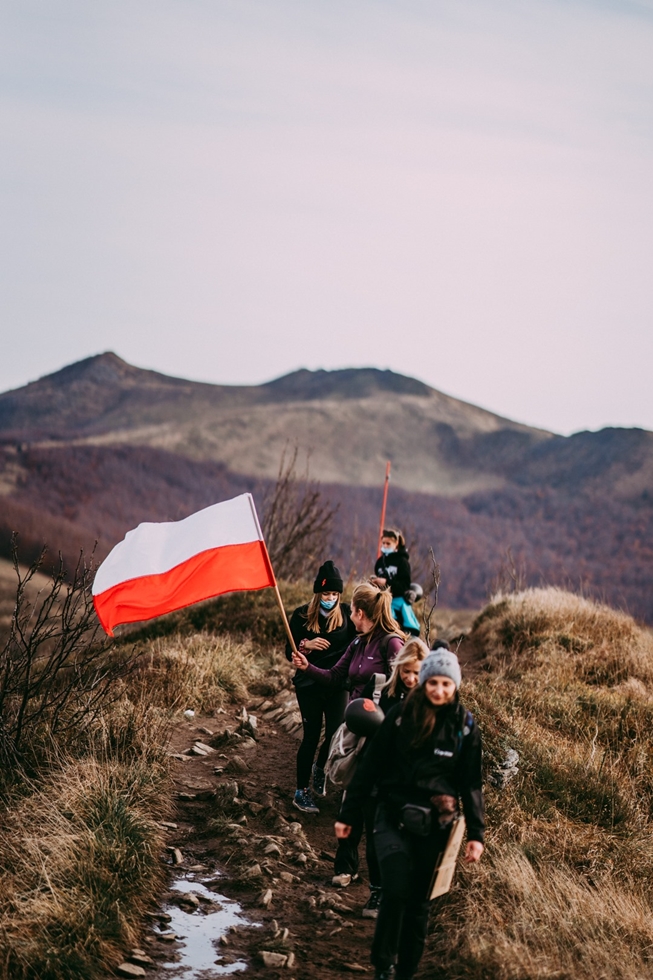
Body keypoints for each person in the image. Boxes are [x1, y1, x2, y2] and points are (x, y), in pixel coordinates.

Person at [335, 648, 485, 980]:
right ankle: (383, 965)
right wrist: (347, 815)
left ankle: (407, 972)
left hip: (437, 826)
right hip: (392, 816)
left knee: (419, 905)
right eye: (434, 682)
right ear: (425, 682)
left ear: (455, 686)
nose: (439, 690)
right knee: (396, 890)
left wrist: (476, 835)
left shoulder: (465, 726)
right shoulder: (401, 716)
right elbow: (370, 766)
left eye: (447, 684)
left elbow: (471, 783)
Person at [292, 583, 405, 889]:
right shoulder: (358, 644)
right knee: (350, 800)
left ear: (361, 612)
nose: (349, 615)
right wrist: (307, 667)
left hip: (383, 737)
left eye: (352, 610)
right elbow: (335, 677)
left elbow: (408, 685)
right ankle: (346, 867)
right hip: (357, 734)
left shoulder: (391, 645)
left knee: (374, 807)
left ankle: (381, 885)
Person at [356, 637, 429, 918]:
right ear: (398, 668)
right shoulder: (381, 692)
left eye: (417, 672)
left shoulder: (432, 700)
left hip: (412, 783)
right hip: (377, 777)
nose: (411, 678)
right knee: (374, 839)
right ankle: (376, 892)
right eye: (406, 671)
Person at [285, 560, 356, 815]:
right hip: (309, 685)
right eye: (326, 593)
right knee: (311, 736)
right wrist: (306, 646)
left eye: (335, 594)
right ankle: (300, 791)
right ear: (318, 593)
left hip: (338, 685)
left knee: (337, 732)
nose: (331, 598)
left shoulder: (348, 614)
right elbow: (288, 652)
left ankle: (320, 768)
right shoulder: (301, 615)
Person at [371, 529, 420, 636]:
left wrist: (387, 582)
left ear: (396, 544)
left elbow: (405, 585)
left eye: (388, 543)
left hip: (398, 600)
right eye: (383, 543)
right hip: (382, 599)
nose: (385, 545)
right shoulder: (380, 562)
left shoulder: (402, 562)